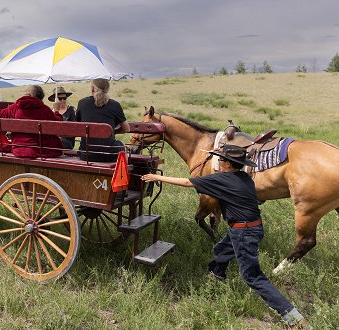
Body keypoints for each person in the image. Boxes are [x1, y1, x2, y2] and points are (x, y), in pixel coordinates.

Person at [141, 144, 308, 329]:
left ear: (228, 164)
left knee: (252, 277)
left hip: (243, 232)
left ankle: (294, 319)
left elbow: (188, 182)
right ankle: (215, 278)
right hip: (252, 227)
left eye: (220, 159)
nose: (218, 162)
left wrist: (156, 176)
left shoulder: (222, 179)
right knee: (221, 249)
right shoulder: (244, 177)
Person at [0, 85, 63, 158]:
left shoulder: (14, 107)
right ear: (39, 98)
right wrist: (56, 111)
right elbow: (59, 125)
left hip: (19, 150)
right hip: (42, 150)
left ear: (28, 95)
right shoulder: (45, 110)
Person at [75, 78, 129, 161]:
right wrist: (109, 132)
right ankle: (124, 172)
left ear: (92, 89)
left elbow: (78, 126)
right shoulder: (115, 105)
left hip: (86, 154)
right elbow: (127, 129)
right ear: (107, 89)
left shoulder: (82, 103)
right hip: (109, 154)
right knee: (123, 146)